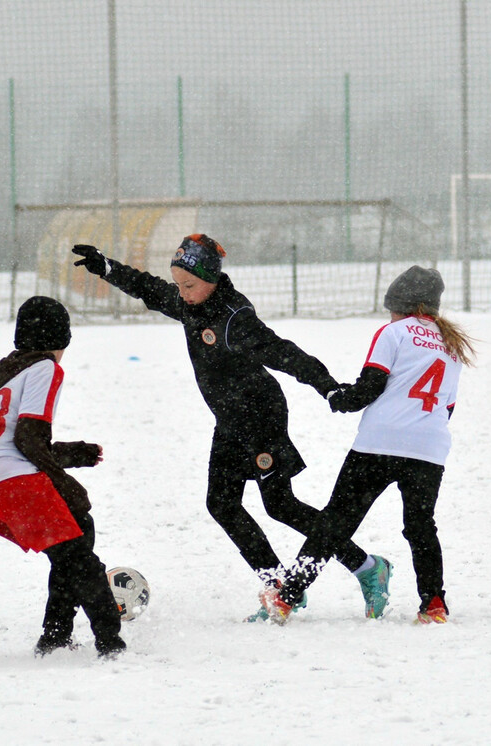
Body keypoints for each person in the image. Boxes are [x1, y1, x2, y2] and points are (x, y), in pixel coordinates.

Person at [71, 236, 392, 620]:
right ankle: (277, 584)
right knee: (221, 503)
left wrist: (328, 386)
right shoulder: (189, 304)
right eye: (179, 285)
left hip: (261, 418)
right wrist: (105, 267)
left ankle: (369, 569)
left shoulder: (234, 317)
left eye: (189, 285)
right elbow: (149, 289)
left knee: (281, 506)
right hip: (230, 420)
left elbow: (284, 352)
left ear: (210, 278)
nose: (182, 293)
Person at [259, 265, 475, 625]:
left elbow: (372, 384)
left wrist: (341, 398)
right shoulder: (451, 345)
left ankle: (287, 597)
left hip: (380, 443)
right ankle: (433, 603)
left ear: (401, 305)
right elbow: (447, 406)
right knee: (421, 526)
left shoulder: (394, 333)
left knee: (336, 523)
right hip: (429, 448)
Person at [0, 296, 127, 658]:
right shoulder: (45, 368)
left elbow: (12, 437)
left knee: (73, 537)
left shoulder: (7, 374)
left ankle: (55, 638)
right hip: (7, 478)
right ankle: (111, 643)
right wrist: (67, 482)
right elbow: (28, 437)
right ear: (61, 339)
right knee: (78, 552)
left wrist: (71, 455)